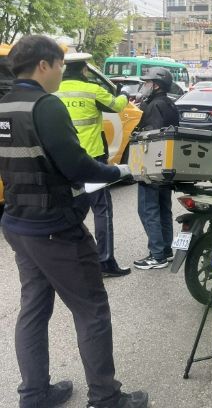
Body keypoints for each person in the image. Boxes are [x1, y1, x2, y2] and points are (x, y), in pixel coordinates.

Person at [0, 35, 148, 408]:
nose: (61, 73)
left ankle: (34, 394)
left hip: (18, 222)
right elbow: (77, 166)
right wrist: (120, 170)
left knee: (33, 309)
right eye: (60, 66)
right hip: (55, 227)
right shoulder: (45, 105)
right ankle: (105, 397)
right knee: (91, 309)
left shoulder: (4, 104)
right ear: (44, 65)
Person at [57, 58, 131, 278]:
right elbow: (117, 106)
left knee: (69, 210)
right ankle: (105, 261)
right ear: (84, 69)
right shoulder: (92, 90)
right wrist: (125, 93)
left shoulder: (54, 91)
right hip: (92, 160)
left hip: (64, 160)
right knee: (101, 209)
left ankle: (70, 261)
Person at [133, 67, 179, 270]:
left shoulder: (153, 106)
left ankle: (157, 254)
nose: (144, 86)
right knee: (163, 209)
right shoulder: (169, 103)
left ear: (156, 85)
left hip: (152, 166)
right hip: (167, 166)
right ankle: (166, 251)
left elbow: (151, 136)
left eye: (147, 83)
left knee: (148, 209)